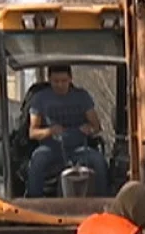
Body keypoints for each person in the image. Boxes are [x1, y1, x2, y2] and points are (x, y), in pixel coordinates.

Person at [26, 65, 110, 197]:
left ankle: (101, 201)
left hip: (80, 147)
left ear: (71, 79)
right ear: (49, 80)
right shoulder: (40, 99)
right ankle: (33, 200)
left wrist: (89, 129)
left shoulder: (82, 97)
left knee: (98, 161)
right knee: (37, 161)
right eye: (56, 81)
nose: (60, 85)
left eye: (64, 81)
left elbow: (97, 127)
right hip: (50, 148)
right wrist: (50, 131)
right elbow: (32, 133)